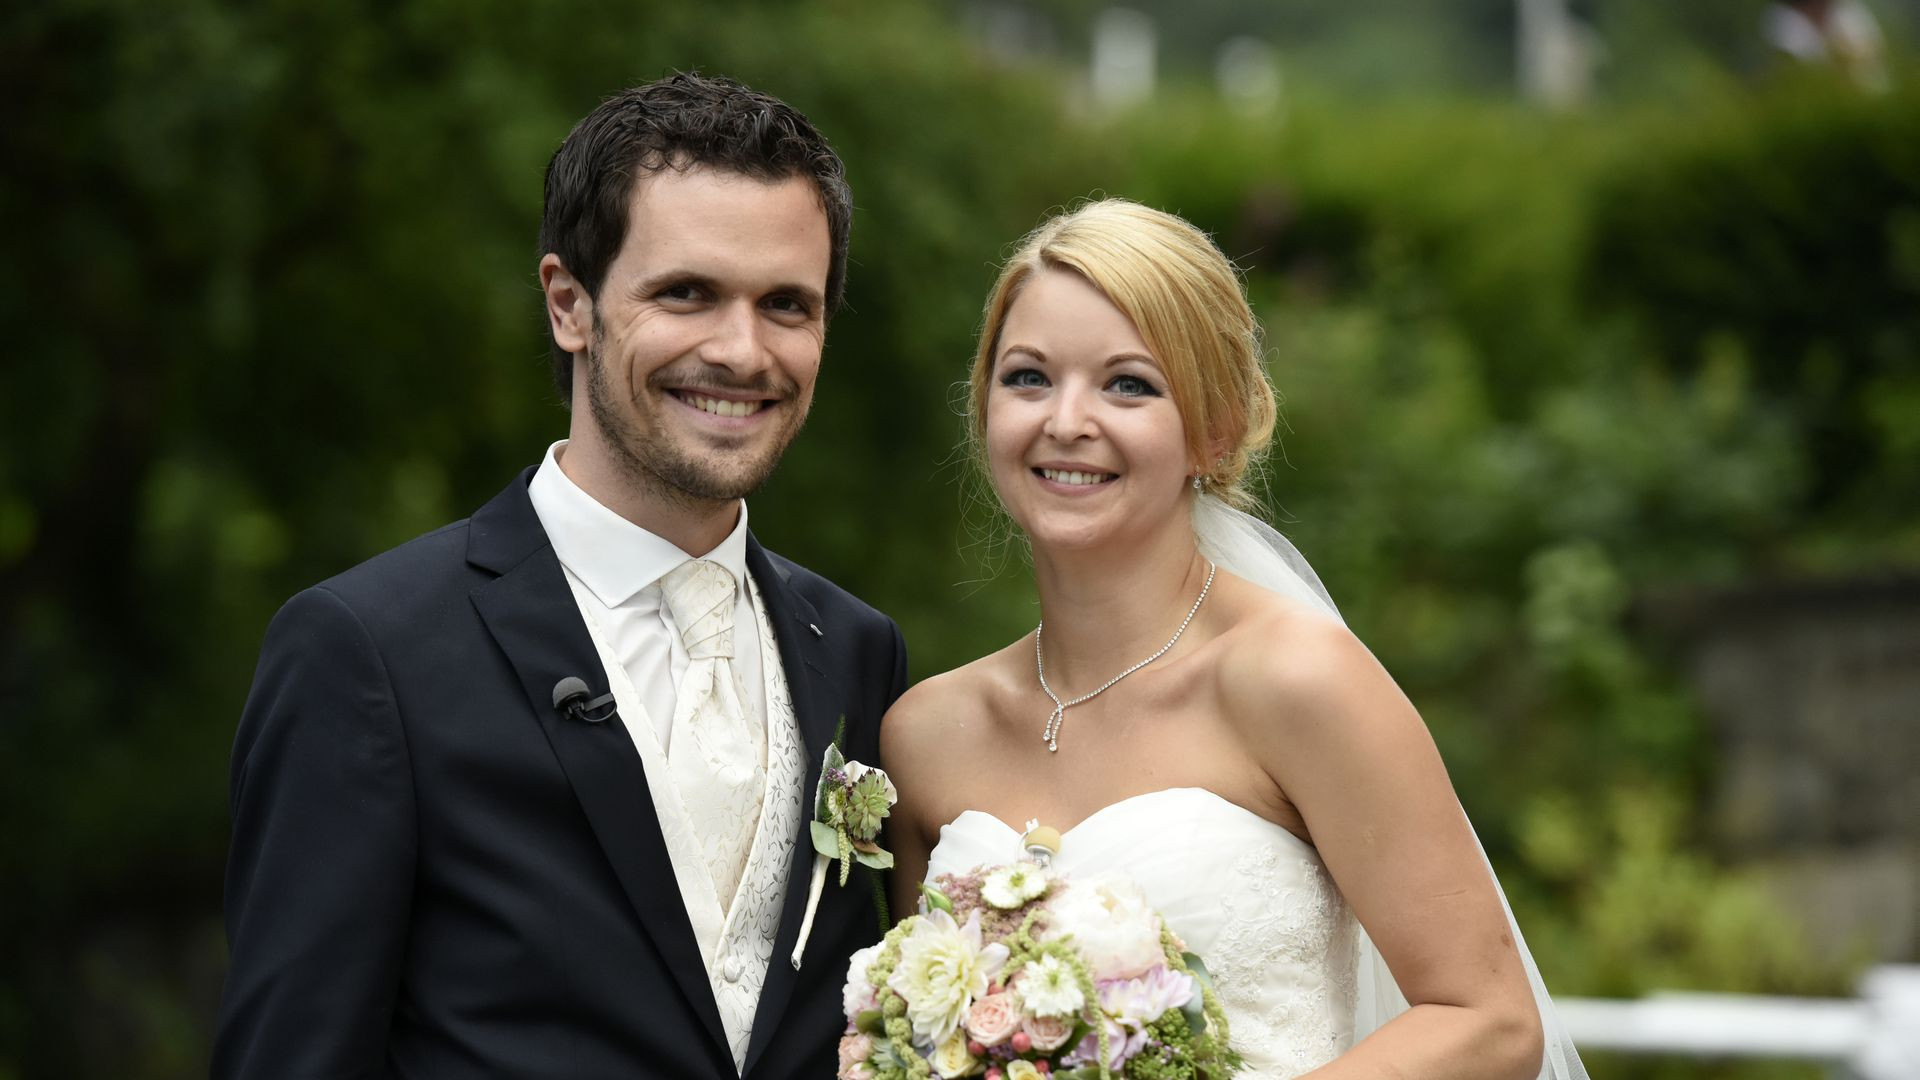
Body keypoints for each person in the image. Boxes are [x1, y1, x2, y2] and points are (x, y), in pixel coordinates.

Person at [213, 72, 908, 1079]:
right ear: (569, 304)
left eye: (786, 305)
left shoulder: (857, 651)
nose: (741, 349)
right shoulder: (367, 653)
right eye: (688, 293)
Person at [881, 199, 1586, 1079]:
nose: (1065, 420)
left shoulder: (1297, 679)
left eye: (1128, 384)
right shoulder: (926, 734)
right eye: (1027, 377)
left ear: (1214, 430)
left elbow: (1490, 1021)